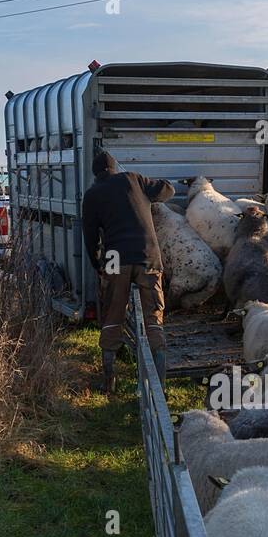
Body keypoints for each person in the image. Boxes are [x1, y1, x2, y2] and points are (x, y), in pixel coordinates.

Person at [81, 151, 175, 392]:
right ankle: (159, 386)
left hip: (114, 258)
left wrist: (97, 265)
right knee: (153, 317)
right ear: (115, 168)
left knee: (113, 314)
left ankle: (109, 381)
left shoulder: (91, 195)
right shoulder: (133, 178)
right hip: (148, 253)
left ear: (95, 173)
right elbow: (167, 190)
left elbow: (90, 237)